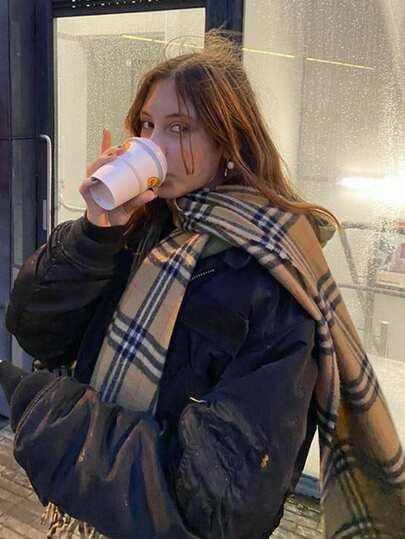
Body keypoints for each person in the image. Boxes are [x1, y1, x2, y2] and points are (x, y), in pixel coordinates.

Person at [2, 31, 404, 539]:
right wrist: (94, 232)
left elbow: (219, 504)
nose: (154, 144)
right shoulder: (141, 228)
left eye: (179, 127)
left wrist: (50, 417)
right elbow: (37, 331)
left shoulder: (270, 276)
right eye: (147, 124)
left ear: (228, 143)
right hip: (95, 514)